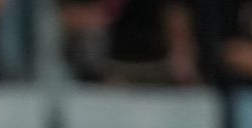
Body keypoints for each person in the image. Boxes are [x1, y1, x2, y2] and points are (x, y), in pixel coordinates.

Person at [60, 0, 200, 84]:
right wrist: (90, 17)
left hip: (155, 66)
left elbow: (175, 13)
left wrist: (181, 49)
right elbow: (64, 15)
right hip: (102, 68)